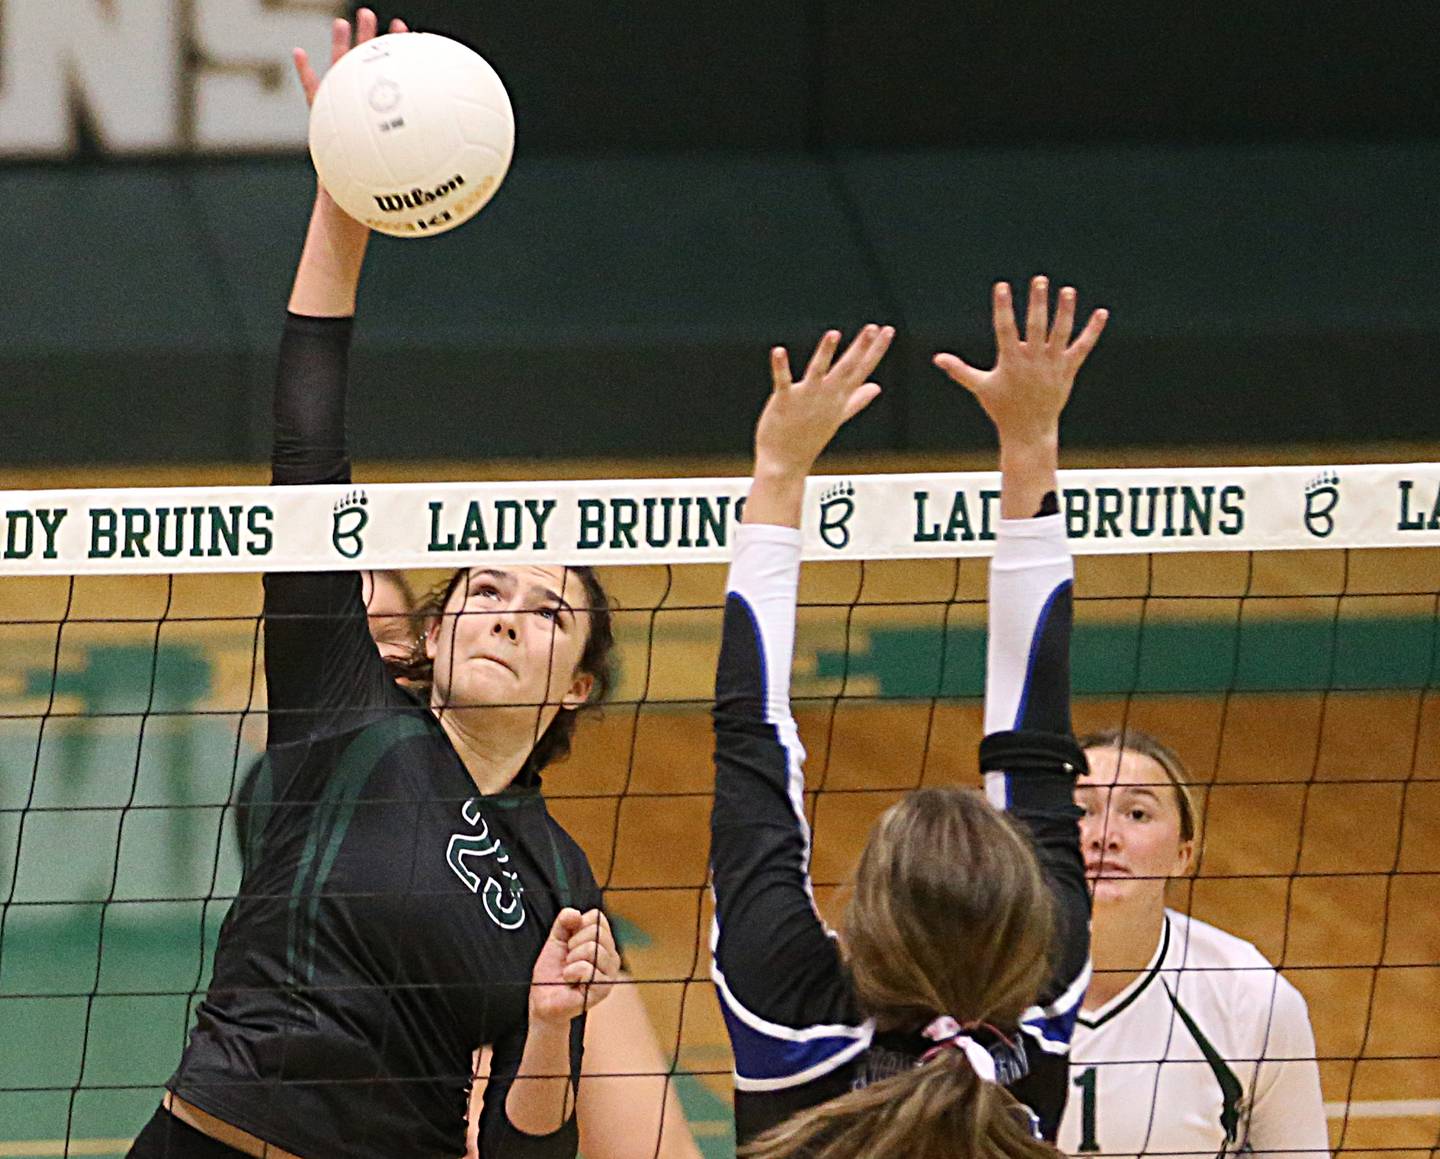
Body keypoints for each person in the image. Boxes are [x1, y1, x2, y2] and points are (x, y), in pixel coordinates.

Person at [128, 12, 621, 1158]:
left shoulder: (560, 874)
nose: (505, 612)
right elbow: (308, 449)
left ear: (579, 686)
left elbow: (526, 1145)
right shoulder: (343, 708)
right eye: (486, 589)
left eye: (548, 610)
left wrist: (552, 1027)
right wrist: (345, 193)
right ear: (436, 632)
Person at [708, 278, 1107, 1157]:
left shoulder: (790, 998)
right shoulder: (1040, 995)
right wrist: (1032, 439)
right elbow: (1035, 753)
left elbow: (755, 740)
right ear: (1020, 913)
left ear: (868, 915)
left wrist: (778, 473)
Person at [1060, 728, 1331, 1157]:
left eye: (1137, 814)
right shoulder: (977, 986)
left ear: (1183, 855)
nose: (1104, 835)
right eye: (1081, 810)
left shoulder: (1251, 998)